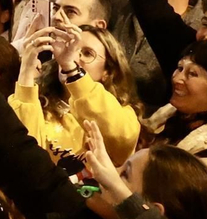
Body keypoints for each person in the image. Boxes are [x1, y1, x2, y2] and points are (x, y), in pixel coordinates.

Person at [9, 22, 141, 167]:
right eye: (69, 49)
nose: (73, 57)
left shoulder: (124, 114)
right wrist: (26, 71)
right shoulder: (35, 102)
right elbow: (21, 155)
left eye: (87, 53)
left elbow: (120, 139)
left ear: (107, 72)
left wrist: (72, 70)